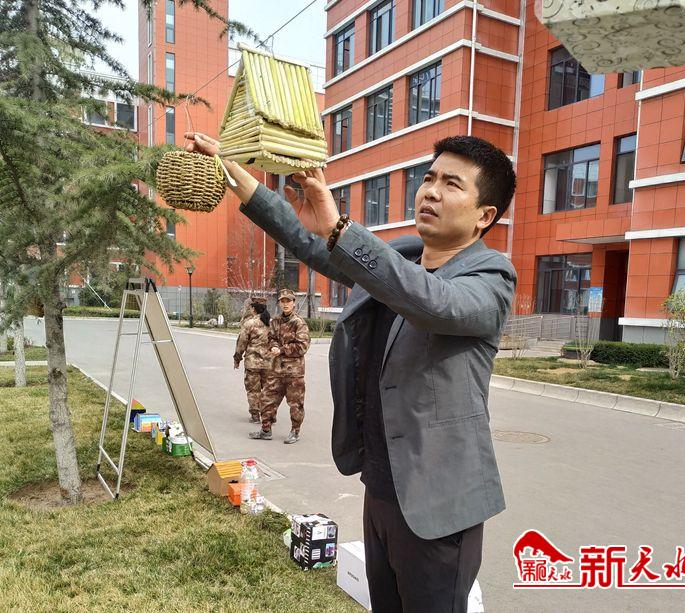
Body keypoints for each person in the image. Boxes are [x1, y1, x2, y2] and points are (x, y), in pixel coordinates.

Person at [186, 132, 516, 613]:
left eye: (451, 184)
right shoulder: (403, 257)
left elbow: (432, 303)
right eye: (428, 178)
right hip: (381, 487)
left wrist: (341, 231)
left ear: (484, 216)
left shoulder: (490, 278)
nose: (430, 191)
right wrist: (234, 173)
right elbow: (312, 242)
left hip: (439, 504)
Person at [249, 288, 311, 444]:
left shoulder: (299, 323)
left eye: (288, 301)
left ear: (293, 303)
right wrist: (274, 346)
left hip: (294, 373)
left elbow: (302, 346)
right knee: (267, 399)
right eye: (282, 301)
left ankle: (295, 431)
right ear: (279, 303)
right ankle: (266, 430)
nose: (285, 304)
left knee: (295, 404)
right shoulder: (275, 321)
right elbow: (271, 338)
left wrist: (282, 350)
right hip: (276, 370)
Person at [233, 297, 271, 424]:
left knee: (253, 390)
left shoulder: (249, 324)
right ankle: (269, 415)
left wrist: (237, 359)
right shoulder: (272, 324)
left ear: (253, 309)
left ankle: (255, 416)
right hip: (269, 363)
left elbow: (241, 343)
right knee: (268, 390)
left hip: (252, 363)